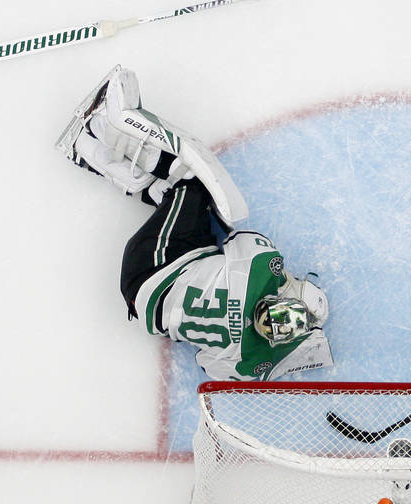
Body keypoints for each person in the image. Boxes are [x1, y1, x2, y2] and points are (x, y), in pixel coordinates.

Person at [56, 66, 333, 381]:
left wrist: (286, 281)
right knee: (180, 202)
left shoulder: (261, 270)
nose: (269, 321)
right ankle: (86, 150)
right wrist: (271, 356)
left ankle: (109, 124)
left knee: (193, 181)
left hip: (157, 266)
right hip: (152, 297)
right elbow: (210, 365)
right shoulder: (244, 360)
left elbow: (242, 238)